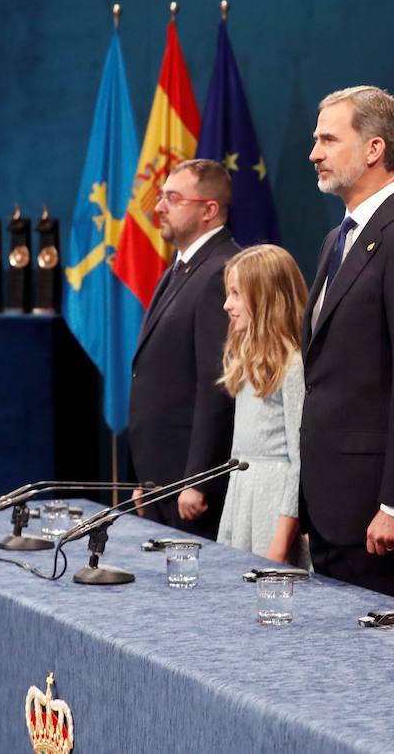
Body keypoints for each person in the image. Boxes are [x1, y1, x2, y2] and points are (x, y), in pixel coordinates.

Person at [299, 85, 394, 601]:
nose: (314, 153)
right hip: (330, 503)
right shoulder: (336, 239)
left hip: (375, 513)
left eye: (328, 139)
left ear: (374, 149)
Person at [128, 159, 241, 539]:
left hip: (190, 488)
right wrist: (148, 478)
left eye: (172, 198)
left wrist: (198, 479)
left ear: (209, 210)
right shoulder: (181, 268)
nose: (158, 207)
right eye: (161, 197)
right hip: (163, 479)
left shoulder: (221, 271)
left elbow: (218, 385)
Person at [214, 244, 311, 567]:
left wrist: (280, 544)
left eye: (236, 294)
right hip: (243, 493)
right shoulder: (248, 360)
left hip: (273, 503)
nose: (227, 305)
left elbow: (299, 461)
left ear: (267, 297)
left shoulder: (293, 365)